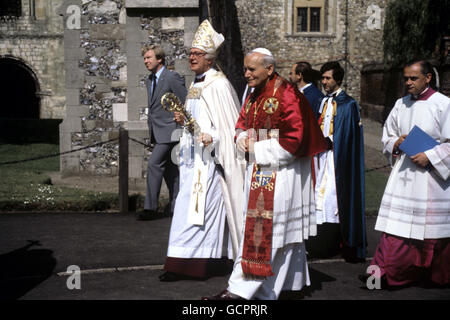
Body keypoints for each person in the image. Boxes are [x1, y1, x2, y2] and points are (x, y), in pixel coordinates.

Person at [203, 48, 328, 300]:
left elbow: (295, 139)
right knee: (276, 234)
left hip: (283, 173)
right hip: (259, 169)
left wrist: (256, 147)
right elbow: (241, 123)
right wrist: (241, 139)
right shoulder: (254, 93)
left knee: (267, 233)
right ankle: (283, 287)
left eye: (251, 69)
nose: (246, 74)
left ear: (269, 69)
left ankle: (239, 290)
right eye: (245, 69)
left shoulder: (287, 93)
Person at [159, 20, 245, 282]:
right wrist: (182, 120)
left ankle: (185, 265)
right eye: (191, 54)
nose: (191, 58)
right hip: (191, 160)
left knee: (196, 214)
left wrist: (213, 136)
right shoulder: (196, 84)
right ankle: (193, 262)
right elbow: (196, 120)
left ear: (209, 58)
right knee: (191, 211)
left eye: (197, 54)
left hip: (209, 163)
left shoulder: (218, 85)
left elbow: (231, 127)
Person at [364, 60, 450, 288]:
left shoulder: (443, 104)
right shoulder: (400, 104)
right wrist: (395, 142)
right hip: (404, 176)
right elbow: (387, 135)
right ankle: (383, 274)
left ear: (428, 78)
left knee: (433, 232)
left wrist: (430, 157)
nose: (408, 82)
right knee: (396, 229)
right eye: (406, 78)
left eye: (413, 78)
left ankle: (435, 275)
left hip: (432, 179)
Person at [312, 61, 366, 261]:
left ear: (338, 80)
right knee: (320, 197)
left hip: (338, 159)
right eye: (323, 78)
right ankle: (320, 243)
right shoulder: (324, 101)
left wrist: (332, 141)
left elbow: (348, 134)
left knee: (334, 198)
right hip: (322, 157)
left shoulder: (348, 104)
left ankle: (338, 242)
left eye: (328, 78)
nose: (324, 82)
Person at [137, 45, 187, 221]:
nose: (146, 61)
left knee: (154, 165)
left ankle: (150, 208)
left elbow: (185, 100)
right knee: (170, 171)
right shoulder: (150, 80)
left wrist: (181, 118)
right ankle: (177, 206)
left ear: (160, 59)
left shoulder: (172, 77)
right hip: (158, 131)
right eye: (144, 58)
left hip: (171, 130)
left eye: (149, 58)